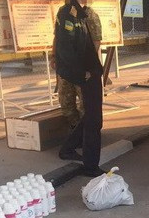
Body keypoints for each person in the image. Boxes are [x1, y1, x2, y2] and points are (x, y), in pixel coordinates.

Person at [53, 0, 106, 177]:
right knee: (93, 120)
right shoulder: (68, 14)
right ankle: (90, 166)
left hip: (90, 70)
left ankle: (68, 149)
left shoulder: (81, 13)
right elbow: (65, 47)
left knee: (90, 115)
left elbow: (91, 43)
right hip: (85, 73)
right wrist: (82, 71)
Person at [52, 0, 102, 132]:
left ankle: (85, 132)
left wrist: (89, 66)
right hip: (66, 67)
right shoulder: (63, 12)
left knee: (85, 104)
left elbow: (96, 41)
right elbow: (58, 37)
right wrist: (54, 56)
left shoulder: (90, 15)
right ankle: (75, 129)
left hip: (82, 68)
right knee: (66, 102)